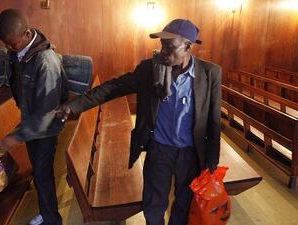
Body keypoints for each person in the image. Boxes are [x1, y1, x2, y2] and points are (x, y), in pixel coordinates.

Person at [56, 19, 222, 225]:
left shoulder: (210, 73)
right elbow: (113, 87)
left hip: (190, 152)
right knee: (153, 205)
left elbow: (214, 121)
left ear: (188, 45)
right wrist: (73, 106)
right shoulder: (149, 70)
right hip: (159, 149)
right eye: (162, 44)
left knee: (184, 204)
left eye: (170, 45)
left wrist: (212, 161)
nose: (163, 50)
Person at [0, 9, 66, 225]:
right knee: (39, 171)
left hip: (46, 126)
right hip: (30, 121)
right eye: (6, 44)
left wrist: (15, 137)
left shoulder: (46, 62)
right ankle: (47, 212)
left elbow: (46, 114)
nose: (9, 48)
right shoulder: (20, 51)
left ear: (26, 34)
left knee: (43, 174)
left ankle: (52, 219)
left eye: (12, 44)